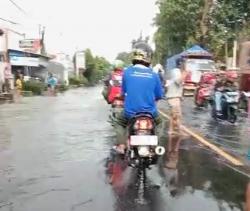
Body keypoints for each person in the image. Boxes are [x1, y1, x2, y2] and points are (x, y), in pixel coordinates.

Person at [114, 42, 163, 153]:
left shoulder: (126, 73)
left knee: (119, 122)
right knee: (160, 123)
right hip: (150, 113)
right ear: (148, 57)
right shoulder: (154, 75)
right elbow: (159, 96)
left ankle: (121, 145)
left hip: (130, 113)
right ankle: (156, 145)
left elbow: (123, 93)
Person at [165, 58, 187, 135]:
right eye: (185, 63)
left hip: (173, 96)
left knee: (173, 115)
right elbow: (178, 82)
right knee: (177, 115)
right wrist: (184, 74)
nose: (186, 65)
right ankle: (180, 132)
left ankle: (170, 130)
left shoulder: (175, 71)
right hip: (173, 97)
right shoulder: (177, 72)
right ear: (181, 64)